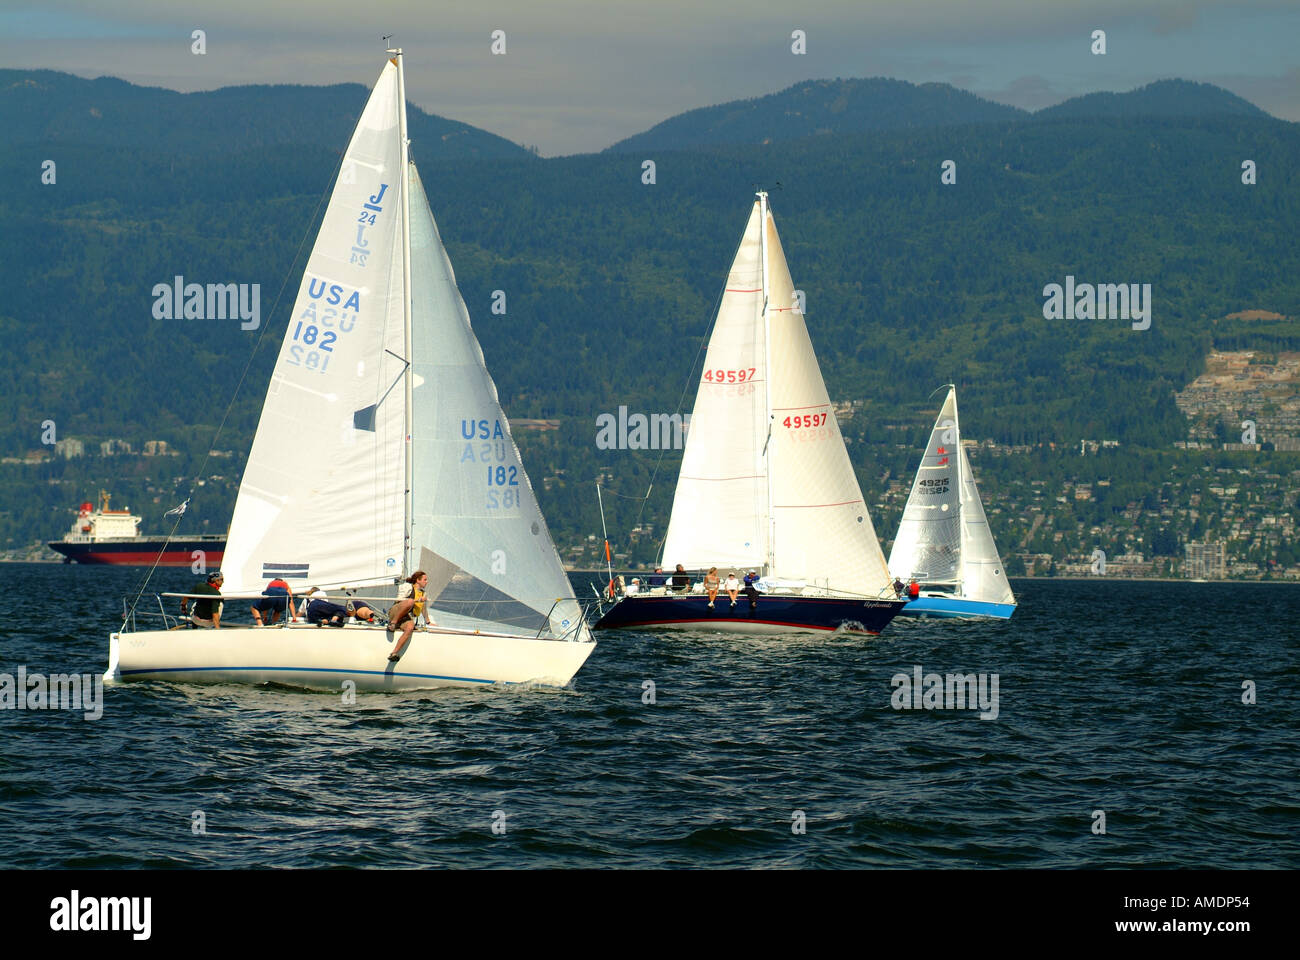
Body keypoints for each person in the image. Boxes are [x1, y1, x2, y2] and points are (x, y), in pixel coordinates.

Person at [386, 571, 432, 662]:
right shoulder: (407, 587)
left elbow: (423, 609)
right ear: (418, 580)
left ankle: (394, 653)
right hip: (396, 612)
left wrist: (428, 622)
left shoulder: (423, 593)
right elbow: (400, 600)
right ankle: (392, 624)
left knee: (410, 627)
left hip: (406, 617)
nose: (426, 582)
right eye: (425, 579)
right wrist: (418, 599)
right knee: (410, 601)